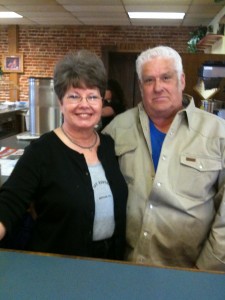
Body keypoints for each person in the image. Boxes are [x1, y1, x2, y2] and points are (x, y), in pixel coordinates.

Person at [103, 45, 225, 271]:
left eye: (166, 77)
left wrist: (205, 272)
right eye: (149, 80)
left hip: (191, 273)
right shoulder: (116, 130)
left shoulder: (218, 134)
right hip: (124, 268)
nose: (158, 87)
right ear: (141, 87)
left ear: (182, 80)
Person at [0, 50, 128, 260]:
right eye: (74, 96)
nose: (84, 104)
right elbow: (9, 204)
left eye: (93, 96)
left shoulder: (108, 145)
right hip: (58, 269)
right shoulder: (42, 152)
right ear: (60, 102)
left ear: (101, 102)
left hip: (110, 265)